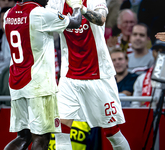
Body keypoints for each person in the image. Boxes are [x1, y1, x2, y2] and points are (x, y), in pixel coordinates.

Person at [47, 0, 130, 149]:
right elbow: (45, 21)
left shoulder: (94, 0)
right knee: (61, 131)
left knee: (112, 133)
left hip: (98, 76)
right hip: (69, 77)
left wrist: (81, 8)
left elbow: (101, 19)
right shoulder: (56, 2)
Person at [3, 0, 82, 149]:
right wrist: (77, 6)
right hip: (38, 85)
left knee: (23, 137)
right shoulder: (41, 14)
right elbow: (76, 22)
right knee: (42, 137)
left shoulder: (8, 14)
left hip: (16, 82)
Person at [131, 40, 165, 107]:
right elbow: (135, 105)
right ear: (152, 52)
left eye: (163, 51)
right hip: (145, 115)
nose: (160, 54)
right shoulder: (141, 78)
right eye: (157, 50)